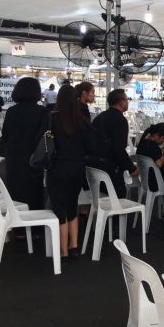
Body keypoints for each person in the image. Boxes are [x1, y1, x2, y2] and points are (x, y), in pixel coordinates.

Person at [46, 84, 97, 259]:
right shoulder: (82, 120)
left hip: (57, 168)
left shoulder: (52, 118)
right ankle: (74, 246)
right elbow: (92, 147)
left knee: (59, 208)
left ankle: (63, 251)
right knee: (72, 206)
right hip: (77, 169)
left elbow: (43, 143)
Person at [1, 77, 48, 211]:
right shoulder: (42, 112)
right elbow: (42, 138)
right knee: (33, 192)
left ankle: (15, 218)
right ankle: (33, 220)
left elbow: (5, 135)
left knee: (15, 188)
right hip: (33, 157)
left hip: (13, 155)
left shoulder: (11, 111)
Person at [92, 89, 139, 198]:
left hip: (95, 165)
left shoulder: (99, 117)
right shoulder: (120, 120)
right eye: (126, 99)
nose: (127, 102)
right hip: (111, 167)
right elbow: (118, 148)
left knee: (101, 198)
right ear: (121, 102)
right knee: (118, 197)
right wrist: (131, 168)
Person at [136, 122, 164, 191]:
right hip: (157, 183)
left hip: (145, 180)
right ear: (157, 135)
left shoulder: (142, 144)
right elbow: (159, 164)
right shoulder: (153, 147)